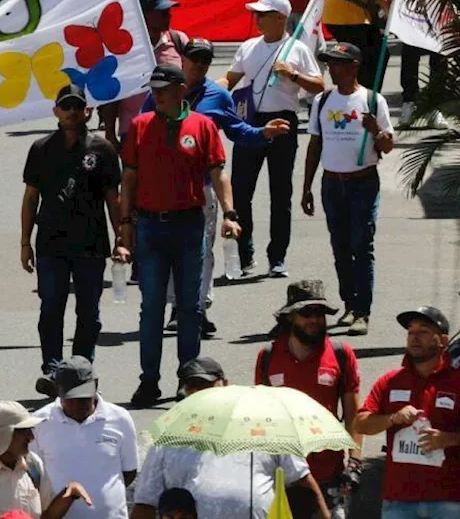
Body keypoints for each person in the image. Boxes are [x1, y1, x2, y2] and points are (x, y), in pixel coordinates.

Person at [141, 39, 290, 334]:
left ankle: (197, 307)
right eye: (194, 58)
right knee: (170, 250)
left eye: (205, 60)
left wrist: (264, 133)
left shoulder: (218, 96)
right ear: (182, 59)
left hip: (201, 188)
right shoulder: (160, 93)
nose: (199, 64)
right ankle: (176, 308)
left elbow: (238, 130)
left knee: (201, 250)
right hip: (164, 189)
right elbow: (142, 130)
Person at [119, 65, 241, 408]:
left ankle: (188, 379)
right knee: (151, 308)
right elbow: (128, 179)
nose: (156, 95)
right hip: (150, 228)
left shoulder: (202, 126)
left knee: (189, 308)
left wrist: (230, 215)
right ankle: (149, 381)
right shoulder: (140, 126)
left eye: (163, 88)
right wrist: (125, 224)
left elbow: (219, 174)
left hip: (190, 225)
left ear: (181, 90)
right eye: (153, 89)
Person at [21, 85, 125, 394]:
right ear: (55, 111)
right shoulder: (41, 148)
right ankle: (53, 369)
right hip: (51, 244)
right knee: (51, 307)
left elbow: (113, 198)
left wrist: (121, 237)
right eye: (65, 106)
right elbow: (30, 198)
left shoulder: (103, 149)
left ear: (88, 111)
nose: (71, 112)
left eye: (77, 106)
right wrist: (25, 242)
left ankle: (81, 368)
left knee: (89, 311)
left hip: (91, 244)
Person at [133, 356, 329, 518]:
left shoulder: (263, 427)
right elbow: (145, 503)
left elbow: (302, 480)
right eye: (191, 387)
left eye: (206, 385)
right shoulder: (168, 440)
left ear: (225, 384)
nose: (199, 392)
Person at [220, 0, 324, 279]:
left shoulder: (297, 49)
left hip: (283, 123)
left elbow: (318, 85)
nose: (257, 19)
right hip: (251, 123)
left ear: (280, 18)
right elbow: (229, 80)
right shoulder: (248, 47)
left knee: (281, 193)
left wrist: (293, 75)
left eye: (262, 14)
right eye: (255, 13)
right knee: (241, 191)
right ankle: (244, 255)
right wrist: (201, 91)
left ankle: (277, 257)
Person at [300, 42, 393, 335]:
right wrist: (306, 187)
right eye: (329, 63)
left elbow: (388, 146)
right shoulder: (323, 101)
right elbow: (315, 145)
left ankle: (363, 312)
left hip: (363, 183)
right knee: (340, 247)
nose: (332, 69)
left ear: (354, 66)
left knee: (361, 246)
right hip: (332, 184)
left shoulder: (373, 101)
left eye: (338, 63)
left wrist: (375, 131)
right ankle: (349, 305)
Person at [255, 280, 363, 517]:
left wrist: (354, 462)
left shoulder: (341, 355)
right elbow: (259, 419)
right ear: (291, 317)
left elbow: (354, 416)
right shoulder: (268, 356)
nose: (314, 319)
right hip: (282, 478)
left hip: (330, 475)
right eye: (306, 313)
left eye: (319, 313)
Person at [355, 306, 460, 518]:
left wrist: (448, 439)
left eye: (423, 331)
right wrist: (393, 418)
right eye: (411, 332)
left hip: (449, 501)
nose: (414, 337)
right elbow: (361, 423)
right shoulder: (390, 381)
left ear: (443, 340)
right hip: (398, 502)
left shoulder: (457, 382)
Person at [30, 357, 137, 517]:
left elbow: (129, 471)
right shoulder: (40, 422)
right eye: (70, 399)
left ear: (96, 384)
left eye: (82, 399)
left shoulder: (120, 418)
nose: (76, 406)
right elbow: (33, 476)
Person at [0, 401, 92, 518]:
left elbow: (46, 515)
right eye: (24, 431)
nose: (31, 437)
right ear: (4, 435)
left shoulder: (33, 465)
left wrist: (68, 494)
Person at [100, 0, 186, 151]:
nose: (168, 15)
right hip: (132, 130)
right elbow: (112, 94)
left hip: (173, 129)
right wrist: (110, 133)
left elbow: (190, 84)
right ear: (142, 15)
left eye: (168, 11)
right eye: (161, 12)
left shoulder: (179, 41)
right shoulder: (122, 48)